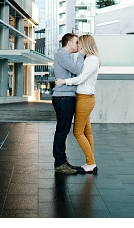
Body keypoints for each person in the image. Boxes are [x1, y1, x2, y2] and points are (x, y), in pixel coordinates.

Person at [56, 34, 101, 175]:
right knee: (87, 131)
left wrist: (64, 81)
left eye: (80, 43)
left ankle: (91, 163)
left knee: (77, 132)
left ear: (86, 44)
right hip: (83, 98)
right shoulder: (90, 59)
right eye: (77, 43)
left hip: (85, 99)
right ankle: (90, 162)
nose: (79, 46)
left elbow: (80, 77)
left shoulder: (92, 60)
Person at [52, 33, 85, 174]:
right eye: (77, 42)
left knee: (63, 131)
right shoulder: (62, 55)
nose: (79, 45)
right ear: (69, 43)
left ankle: (62, 161)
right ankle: (59, 163)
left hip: (65, 96)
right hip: (63, 97)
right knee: (62, 131)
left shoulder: (66, 56)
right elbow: (78, 70)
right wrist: (81, 55)